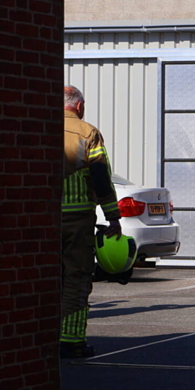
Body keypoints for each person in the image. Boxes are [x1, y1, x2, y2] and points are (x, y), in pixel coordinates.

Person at [61, 86, 121, 359]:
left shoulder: (32, 128)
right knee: (76, 277)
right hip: (77, 219)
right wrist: (113, 216)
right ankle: (71, 340)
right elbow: (101, 177)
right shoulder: (88, 132)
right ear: (80, 107)